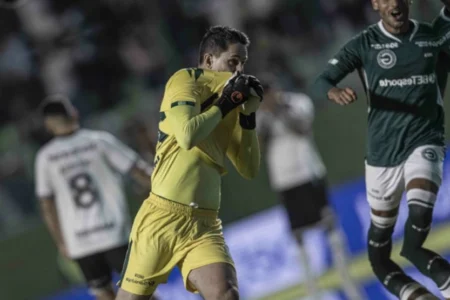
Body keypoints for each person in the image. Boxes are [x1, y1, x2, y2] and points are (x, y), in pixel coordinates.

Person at [312, 0, 450, 299]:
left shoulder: (433, 36)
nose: (394, 4)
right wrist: (333, 91)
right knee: (379, 255)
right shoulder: (364, 43)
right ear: (376, 5)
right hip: (381, 156)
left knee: (420, 214)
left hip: (425, 140)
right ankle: (416, 292)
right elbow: (320, 81)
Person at [115, 25, 263, 300]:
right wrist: (227, 104)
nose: (239, 71)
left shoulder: (229, 103)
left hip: (204, 223)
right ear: (209, 60)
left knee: (226, 295)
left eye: (242, 63)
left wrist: (248, 117)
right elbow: (186, 135)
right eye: (232, 62)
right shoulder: (186, 80)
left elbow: (249, 168)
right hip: (163, 217)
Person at [35, 95, 153, 300]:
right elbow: (141, 172)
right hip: (114, 234)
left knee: (104, 295)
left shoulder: (45, 158)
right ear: (74, 114)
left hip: (80, 243)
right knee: (142, 294)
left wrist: (61, 243)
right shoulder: (99, 141)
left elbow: (47, 206)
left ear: (48, 124)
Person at [256, 77, 363, 300]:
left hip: (308, 172)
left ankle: (346, 276)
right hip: (284, 180)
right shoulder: (258, 115)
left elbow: (303, 127)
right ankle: (311, 287)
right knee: (298, 234)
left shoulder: (298, 102)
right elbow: (259, 144)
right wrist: (266, 114)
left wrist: (279, 110)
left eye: (269, 92)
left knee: (329, 224)